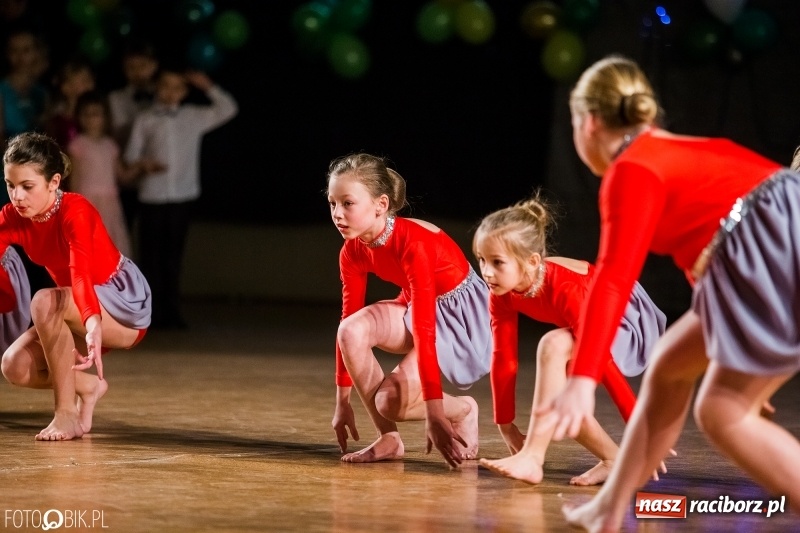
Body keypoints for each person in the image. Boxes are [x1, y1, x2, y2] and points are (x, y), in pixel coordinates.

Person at [509, 55, 800, 531]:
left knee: (722, 411)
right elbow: (719, 248)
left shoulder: (631, 169)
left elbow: (613, 280)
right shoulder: (671, 148)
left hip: (773, 248)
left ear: (590, 122)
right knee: (668, 368)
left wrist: (582, 381)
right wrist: (747, 342)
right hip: (767, 248)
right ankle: (610, 507)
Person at [473, 195, 666, 486]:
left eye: (497, 262)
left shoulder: (566, 289)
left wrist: (641, 428)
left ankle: (532, 457)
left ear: (532, 261)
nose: (486, 272)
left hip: (623, 318)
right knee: (562, 399)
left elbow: (603, 361)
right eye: (482, 260)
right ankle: (613, 459)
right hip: (585, 329)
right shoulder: (500, 292)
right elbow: (504, 358)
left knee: (553, 343)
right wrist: (505, 423)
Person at [327, 153, 492, 468]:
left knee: (390, 402)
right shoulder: (352, 251)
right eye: (333, 203)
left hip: (457, 315)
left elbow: (428, 329)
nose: (337, 213)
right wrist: (342, 402)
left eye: (347, 203)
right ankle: (388, 438)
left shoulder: (412, 243)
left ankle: (463, 409)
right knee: (350, 330)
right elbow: (347, 318)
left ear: (381, 205)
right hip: (417, 304)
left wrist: (435, 412)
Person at [0, 132, 151, 441]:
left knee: (44, 301)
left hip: (119, 302)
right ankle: (88, 386)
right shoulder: (12, 216)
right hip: (73, 308)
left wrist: (92, 320)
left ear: (54, 182)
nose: (17, 197)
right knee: (13, 366)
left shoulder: (76, 210)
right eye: (10, 185)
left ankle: (65, 414)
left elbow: (79, 273)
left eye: (28, 187)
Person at [124, 65, 237, 329]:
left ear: (185, 92)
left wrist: (206, 85)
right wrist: (144, 165)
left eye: (177, 87)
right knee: (150, 257)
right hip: (152, 196)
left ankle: (172, 312)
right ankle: (148, 315)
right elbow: (130, 155)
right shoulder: (146, 118)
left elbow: (229, 108)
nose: (170, 92)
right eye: (165, 86)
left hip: (182, 196)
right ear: (156, 88)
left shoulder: (193, 117)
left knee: (173, 257)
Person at [67, 90, 152, 258]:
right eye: (86, 114)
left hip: (110, 205)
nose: (91, 119)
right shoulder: (78, 145)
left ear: (105, 117)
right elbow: (74, 180)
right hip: (88, 202)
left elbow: (122, 175)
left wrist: (141, 167)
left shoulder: (110, 145)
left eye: (96, 114)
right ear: (79, 117)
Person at [108, 40, 159, 235]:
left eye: (143, 67)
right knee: (122, 232)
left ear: (154, 66)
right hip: (126, 178)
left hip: (156, 178)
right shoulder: (116, 99)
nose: (137, 72)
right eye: (131, 67)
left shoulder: (165, 97)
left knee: (153, 236)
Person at [44, 57, 95, 150]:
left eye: (90, 80)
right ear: (66, 87)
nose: (90, 85)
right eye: (84, 81)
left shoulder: (96, 118)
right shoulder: (57, 122)